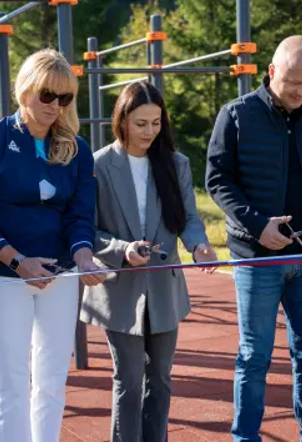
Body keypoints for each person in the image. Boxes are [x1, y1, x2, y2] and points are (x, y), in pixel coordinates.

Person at [205, 36, 302, 442]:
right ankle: (246, 437)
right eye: (293, 82)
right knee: (255, 356)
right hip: (256, 257)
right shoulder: (235, 115)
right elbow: (217, 181)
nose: (301, 92)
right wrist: (258, 226)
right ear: (272, 72)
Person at [0, 48, 105, 442]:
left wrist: (84, 258)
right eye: (47, 95)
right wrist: (17, 261)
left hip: (63, 275)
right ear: (25, 90)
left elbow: (80, 216)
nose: (55, 106)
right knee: (12, 379)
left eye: (65, 98)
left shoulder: (76, 149)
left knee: (53, 378)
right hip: (5, 276)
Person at [80, 81, 218, 442]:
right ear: (122, 120)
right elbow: (86, 231)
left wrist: (199, 246)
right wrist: (122, 250)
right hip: (118, 288)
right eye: (141, 123)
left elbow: (189, 218)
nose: (149, 132)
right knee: (127, 379)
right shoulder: (97, 165)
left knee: (160, 378)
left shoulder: (176, 163)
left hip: (163, 286)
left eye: (156, 123)